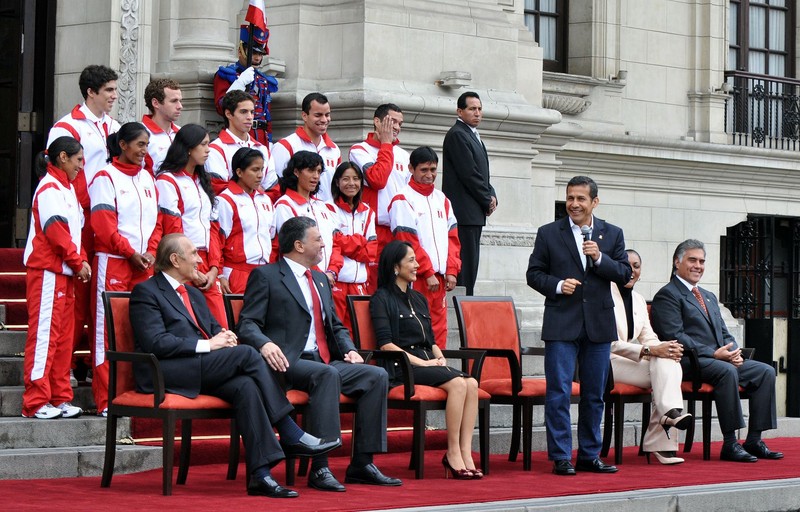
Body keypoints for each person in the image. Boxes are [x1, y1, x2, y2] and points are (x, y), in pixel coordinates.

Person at [130, 233, 340, 499]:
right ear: (174, 259)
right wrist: (210, 345)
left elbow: (213, 328)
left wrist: (224, 336)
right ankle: (289, 430)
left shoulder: (193, 294)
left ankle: (260, 475)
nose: (199, 260)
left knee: (246, 386)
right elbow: (156, 342)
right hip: (167, 371)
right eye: (194, 254)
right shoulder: (146, 292)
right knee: (248, 355)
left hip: (201, 366)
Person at [237, 216, 401, 492]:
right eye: (318, 239)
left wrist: (349, 350)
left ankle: (362, 463)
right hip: (289, 361)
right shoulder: (266, 276)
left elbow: (336, 326)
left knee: (376, 375)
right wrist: (264, 344)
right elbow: (247, 323)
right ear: (299, 245)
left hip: (325, 358)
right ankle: (320, 466)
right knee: (326, 375)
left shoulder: (321, 279)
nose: (325, 244)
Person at [526, 175, 631, 476]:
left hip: (598, 325)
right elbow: (533, 274)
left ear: (594, 202)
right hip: (561, 323)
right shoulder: (549, 233)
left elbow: (624, 273)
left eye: (581, 198)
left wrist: (600, 259)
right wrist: (558, 285)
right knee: (558, 391)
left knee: (594, 393)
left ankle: (589, 454)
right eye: (570, 197)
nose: (574, 203)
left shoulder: (612, 234)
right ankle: (560, 455)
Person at [651, 239, 782, 463]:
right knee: (726, 371)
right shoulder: (668, 295)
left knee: (765, 372)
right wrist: (714, 354)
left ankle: (753, 440)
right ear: (677, 262)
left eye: (702, 261)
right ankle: (730, 443)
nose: (698, 266)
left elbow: (724, 332)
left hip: (719, 359)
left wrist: (734, 352)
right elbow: (675, 335)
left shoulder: (708, 296)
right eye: (692, 260)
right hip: (688, 362)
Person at [370, 240, 481, 479]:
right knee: (459, 383)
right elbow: (386, 344)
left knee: (471, 383)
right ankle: (451, 452)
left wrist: (439, 358)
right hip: (402, 368)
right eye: (410, 260)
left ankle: (465, 451)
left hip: (427, 363)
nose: (416, 265)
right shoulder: (381, 298)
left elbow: (430, 340)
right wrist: (425, 363)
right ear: (395, 267)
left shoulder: (419, 298)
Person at [46, 64, 120, 382]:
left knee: (100, 296)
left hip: (106, 216)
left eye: (115, 90)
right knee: (77, 293)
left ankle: (92, 361)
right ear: (90, 92)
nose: (115, 96)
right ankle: (64, 367)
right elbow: (61, 174)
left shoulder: (115, 126)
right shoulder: (67, 126)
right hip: (80, 216)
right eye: (108, 91)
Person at [88, 122, 161, 416]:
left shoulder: (147, 178)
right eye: (140, 145)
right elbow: (103, 223)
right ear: (123, 145)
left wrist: (152, 251)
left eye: (147, 145)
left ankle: (132, 394)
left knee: (139, 330)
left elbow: (156, 222)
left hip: (143, 263)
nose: (145, 151)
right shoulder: (105, 177)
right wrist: (129, 252)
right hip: (115, 261)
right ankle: (107, 398)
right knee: (108, 332)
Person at [21, 137, 90, 419]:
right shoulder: (50, 188)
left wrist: (80, 260)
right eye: (78, 160)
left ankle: (59, 396)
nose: (81, 166)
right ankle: (35, 401)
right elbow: (58, 233)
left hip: (63, 273)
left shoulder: (65, 188)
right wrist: (78, 260)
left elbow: (74, 234)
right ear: (63, 157)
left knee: (62, 339)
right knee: (45, 338)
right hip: (48, 272)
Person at [610, 249, 691, 465]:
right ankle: (664, 432)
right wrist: (651, 351)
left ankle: (669, 413)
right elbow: (609, 343)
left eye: (636, 266)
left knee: (669, 360)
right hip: (605, 362)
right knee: (663, 364)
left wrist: (665, 348)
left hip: (631, 361)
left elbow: (649, 337)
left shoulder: (637, 299)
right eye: (626, 265)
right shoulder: (603, 295)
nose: (631, 270)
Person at [388, 146, 460, 349]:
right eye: (424, 170)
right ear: (411, 168)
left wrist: (452, 270)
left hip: (439, 278)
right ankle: (422, 371)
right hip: (416, 278)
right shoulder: (402, 199)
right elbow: (407, 241)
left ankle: (441, 372)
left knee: (439, 329)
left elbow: (453, 238)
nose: (430, 175)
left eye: (433, 169)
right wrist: (427, 271)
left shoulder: (442, 199)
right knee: (417, 327)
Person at [157, 124, 227, 327]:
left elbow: (213, 227)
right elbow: (172, 227)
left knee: (220, 323)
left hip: (206, 260)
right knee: (189, 325)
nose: (208, 150)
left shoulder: (203, 181)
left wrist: (214, 268)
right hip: (181, 261)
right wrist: (190, 268)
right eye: (203, 145)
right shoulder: (168, 180)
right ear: (188, 148)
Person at [442, 91, 496, 296]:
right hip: (464, 212)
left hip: (473, 211)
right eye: (472, 109)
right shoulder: (457, 134)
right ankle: (462, 308)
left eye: (480, 109)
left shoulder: (471, 134)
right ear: (459, 111)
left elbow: (483, 173)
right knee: (465, 267)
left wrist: (492, 194)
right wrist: (486, 199)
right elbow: (469, 173)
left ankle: (466, 305)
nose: (477, 113)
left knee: (471, 266)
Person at [348, 103, 410, 256]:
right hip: (374, 229)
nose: (397, 127)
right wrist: (386, 144)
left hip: (400, 230)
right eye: (392, 121)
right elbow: (378, 180)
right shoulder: (359, 150)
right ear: (377, 122)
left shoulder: (404, 155)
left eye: (400, 124)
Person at [274, 151, 342, 280]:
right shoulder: (285, 205)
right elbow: (293, 248)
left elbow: (335, 243)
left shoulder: (322, 206)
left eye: (318, 171)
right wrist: (319, 276)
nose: (316, 176)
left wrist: (332, 272)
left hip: (326, 279)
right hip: (301, 279)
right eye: (311, 170)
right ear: (296, 172)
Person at [217, 147, 276, 294]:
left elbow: (272, 237)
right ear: (239, 172)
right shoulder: (225, 199)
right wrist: (220, 274)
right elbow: (218, 241)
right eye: (255, 170)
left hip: (265, 272)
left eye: (262, 169)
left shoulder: (265, 199)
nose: (260, 175)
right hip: (237, 272)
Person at [329, 161, 376, 333]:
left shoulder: (368, 212)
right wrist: (360, 241)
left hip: (360, 283)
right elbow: (334, 241)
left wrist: (349, 242)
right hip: (338, 281)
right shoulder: (328, 208)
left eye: (356, 179)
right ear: (337, 182)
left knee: (361, 334)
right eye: (346, 179)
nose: (351, 183)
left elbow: (372, 250)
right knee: (337, 332)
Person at [270, 92, 341, 202]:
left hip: (327, 215)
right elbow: (275, 188)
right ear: (304, 116)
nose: (324, 120)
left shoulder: (334, 149)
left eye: (327, 115)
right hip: (296, 214)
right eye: (318, 115)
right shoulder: (285, 146)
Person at [213, 24, 278, 144]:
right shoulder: (228, 75)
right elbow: (222, 107)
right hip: (238, 135)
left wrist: (268, 141)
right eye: (253, 52)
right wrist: (239, 83)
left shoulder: (262, 80)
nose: (257, 58)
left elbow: (266, 115)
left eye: (260, 54)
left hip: (261, 138)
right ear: (240, 51)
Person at [206, 90, 274, 197]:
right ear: (228, 114)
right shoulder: (216, 149)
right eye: (243, 112)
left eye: (252, 112)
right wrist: (256, 192)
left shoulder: (262, 149)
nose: (250, 117)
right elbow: (218, 187)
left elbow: (273, 189)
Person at [142, 78, 182, 175]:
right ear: (155, 103)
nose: (180, 106)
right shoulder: (140, 134)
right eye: (174, 101)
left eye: (180, 101)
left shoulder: (182, 132)